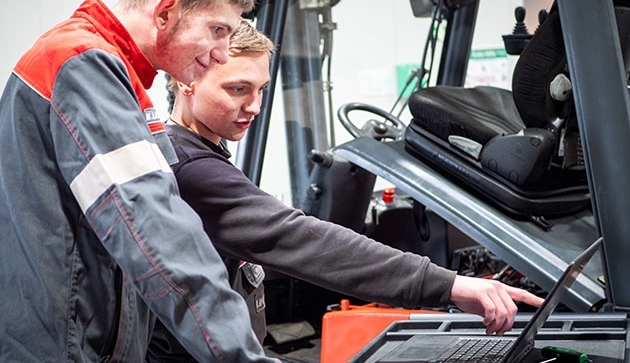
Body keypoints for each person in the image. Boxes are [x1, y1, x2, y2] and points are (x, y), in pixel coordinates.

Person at [149, 18, 545, 360]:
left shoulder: (200, 153)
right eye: (238, 89)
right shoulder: (190, 169)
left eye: (261, 90)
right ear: (188, 80)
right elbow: (301, 238)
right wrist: (450, 286)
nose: (255, 105)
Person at [0, 0, 280, 362]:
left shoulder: (115, 74)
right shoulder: (81, 64)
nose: (223, 52)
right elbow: (154, 228)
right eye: (218, 30)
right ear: (165, 12)